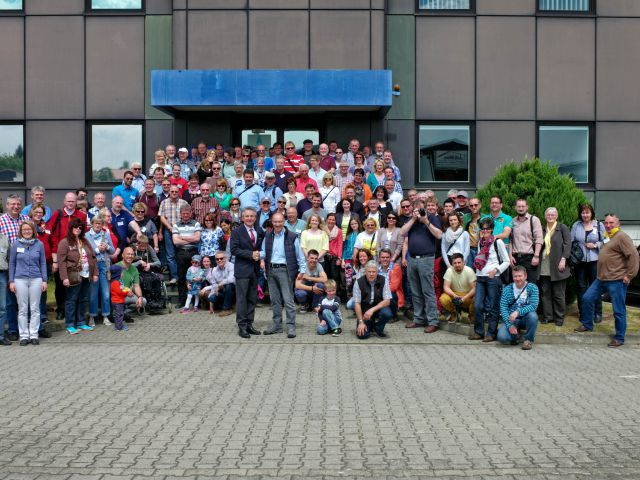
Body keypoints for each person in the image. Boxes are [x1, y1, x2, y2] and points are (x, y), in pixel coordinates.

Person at [575, 213, 639, 347]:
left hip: (617, 280)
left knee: (618, 310)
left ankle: (619, 338)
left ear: (618, 224)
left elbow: (633, 256)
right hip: (602, 278)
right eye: (607, 223)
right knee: (587, 298)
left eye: (611, 223)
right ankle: (587, 324)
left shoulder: (622, 237)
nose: (608, 225)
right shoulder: (608, 236)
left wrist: (629, 275)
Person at [260, 212, 307, 338]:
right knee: (274, 300)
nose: (277, 224)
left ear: (284, 221)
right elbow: (264, 252)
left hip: (285, 270)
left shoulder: (292, 236)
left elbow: (299, 255)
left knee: (288, 300)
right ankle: (277, 326)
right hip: (271, 270)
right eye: (275, 221)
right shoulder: (268, 236)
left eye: (280, 221)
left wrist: (302, 270)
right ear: (272, 222)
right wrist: (258, 257)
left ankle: (291, 326)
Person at [468, 217, 510, 342]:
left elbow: (507, 261)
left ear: (492, 229)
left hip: (493, 278)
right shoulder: (481, 242)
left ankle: (491, 333)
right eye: (483, 228)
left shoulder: (498, 242)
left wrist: (496, 271)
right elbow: (479, 261)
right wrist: (477, 274)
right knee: (478, 305)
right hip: (480, 278)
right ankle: (479, 332)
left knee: (493, 307)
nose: (485, 231)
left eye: (487, 228)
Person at [47, 192, 87, 322]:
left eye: (73, 202)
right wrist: (54, 253)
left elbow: (84, 235)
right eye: (68, 201)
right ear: (64, 202)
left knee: (74, 282)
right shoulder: (57, 215)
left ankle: (73, 310)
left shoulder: (81, 216)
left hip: (75, 256)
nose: (70, 204)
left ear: (76, 203)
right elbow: (49, 233)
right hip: (60, 254)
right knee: (60, 284)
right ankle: (61, 309)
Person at [8, 221, 47, 346]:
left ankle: (34, 334)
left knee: (35, 308)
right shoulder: (16, 244)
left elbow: (43, 263)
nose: (27, 231)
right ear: (21, 231)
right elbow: (12, 263)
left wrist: (44, 280)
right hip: (20, 279)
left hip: (36, 279)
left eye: (29, 229)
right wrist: (11, 281)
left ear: (33, 231)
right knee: (23, 309)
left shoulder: (39, 244)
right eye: (24, 229)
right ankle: (24, 336)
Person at [58, 218, 98, 335]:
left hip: (86, 274)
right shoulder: (64, 242)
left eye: (80, 228)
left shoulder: (84, 241)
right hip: (73, 275)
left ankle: (81, 322)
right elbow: (61, 262)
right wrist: (64, 277)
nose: (78, 229)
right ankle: (70, 324)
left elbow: (93, 258)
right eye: (75, 227)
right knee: (71, 300)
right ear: (71, 228)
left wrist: (95, 273)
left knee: (83, 299)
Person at [230, 207, 264, 338]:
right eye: (247, 216)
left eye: (252, 216)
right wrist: (251, 254)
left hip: (255, 270)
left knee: (251, 298)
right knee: (242, 299)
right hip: (242, 270)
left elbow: (261, 247)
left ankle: (250, 324)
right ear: (242, 218)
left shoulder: (258, 231)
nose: (249, 218)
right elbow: (234, 250)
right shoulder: (237, 232)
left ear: (255, 218)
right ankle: (242, 326)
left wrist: (260, 257)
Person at [571, 204, 606, 322]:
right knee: (581, 287)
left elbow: (606, 240)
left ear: (592, 213)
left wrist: (595, 245)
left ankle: (597, 313)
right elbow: (572, 241)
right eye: (583, 213)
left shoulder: (599, 225)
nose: (585, 215)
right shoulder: (576, 225)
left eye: (587, 212)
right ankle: (583, 313)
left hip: (594, 260)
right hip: (580, 261)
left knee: (595, 286)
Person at [538, 207, 571, 326]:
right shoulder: (541, 228)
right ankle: (548, 316)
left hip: (558, 265)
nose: (550, 216)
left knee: (559, 294)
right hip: (544, 265)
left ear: (556, 216)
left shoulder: (562, 228)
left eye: (553, 215)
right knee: (545, 293)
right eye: (548, 214)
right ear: (545, 216)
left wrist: (564, 259)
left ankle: (559, 317)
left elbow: (568, 244)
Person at [497, 265, 539, 350]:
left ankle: (528, 340)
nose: (518, 278)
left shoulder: (532, 288)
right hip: (511, 319)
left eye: (520, 276)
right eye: (515, 276)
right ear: (512, 277)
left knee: (533, 316)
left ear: (525, 276)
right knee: (502, 338)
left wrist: (518, 312)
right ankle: (516, 337)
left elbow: (533, 306)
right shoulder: (507, 289)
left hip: (525, 318)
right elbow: (503, 308)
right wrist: (509, 325)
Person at [86, 215, 116, 327]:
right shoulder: (87, 236)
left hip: (105, 266)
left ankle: (106, 316)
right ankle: (92, 317)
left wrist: (107, 247)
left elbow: (112, 251)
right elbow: (86, 252)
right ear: (92, 224)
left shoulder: (106, 234)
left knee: (106, 293)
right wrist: (98, 249)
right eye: (96, 223)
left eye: (100, 223)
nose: (98, 225)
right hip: (93, 267)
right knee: (93, 294)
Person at [354, 260, 393, 339]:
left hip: (378, 308)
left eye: (374, 272)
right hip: (365, 311)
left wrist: (372, 310)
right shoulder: (358, 282)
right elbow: (357, 303)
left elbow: (387, 300)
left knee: (387, 313)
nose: (371, 274)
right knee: (363, 336)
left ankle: (378, 328)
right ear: (365, 272)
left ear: (377, 272)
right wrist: (361, 322)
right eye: (369, 272)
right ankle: (368, 324)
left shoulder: (383, 280)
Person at [158, 186, 189, 285]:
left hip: (182, 231)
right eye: (172, 191)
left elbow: (188, 216)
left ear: (179, 192)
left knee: (182, 254)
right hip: (169, 230)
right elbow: (161, 217)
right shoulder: (164, 202)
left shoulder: (184, 203)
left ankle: (183, 277)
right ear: (169, 192)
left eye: (176, 191)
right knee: (170, 255)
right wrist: (169, 227)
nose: (174, 193)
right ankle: (174, 277)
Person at [172, 205, 202, 308]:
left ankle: (195, 301)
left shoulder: (196, 224)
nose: (185, 215)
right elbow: (175, 241)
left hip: (193, 252)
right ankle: (182, 301)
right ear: (180, 214)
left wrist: (182, 237)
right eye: (183, 213)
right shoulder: (176, 225)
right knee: (181, 277)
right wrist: (190, 238)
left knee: (195, 276)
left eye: (187, 213)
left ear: (190, 213)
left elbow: (197, 239)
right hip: (180, 252)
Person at [509, 198, 543, 282]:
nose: (521, 208)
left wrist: (536, 256)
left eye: (523, 206)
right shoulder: (512, 221)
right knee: (516, 285)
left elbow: (539, 239)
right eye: (519, 206)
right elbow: (510, 240)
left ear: (527, 207)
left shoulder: (534, 220)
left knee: (531, 285)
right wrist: (510, 256)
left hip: (529, 258)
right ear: (515, 208)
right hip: (515, 259)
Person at [440, 253, 476, 323]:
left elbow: (474, 289)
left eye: (459, 262)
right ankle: (454, 313)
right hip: (455, 294)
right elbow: (446, 287)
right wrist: (455, 296)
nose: (457, 265)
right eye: (455, 263)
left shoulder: (469, 271)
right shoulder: (449, 270)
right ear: (452, 264)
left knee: (477, 298)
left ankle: (471, 315)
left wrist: (463, 299)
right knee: (443, 298)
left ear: (463, 262)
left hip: (467, 295)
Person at [294, 249, 328, 313]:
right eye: (312, 258)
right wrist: (312, 288)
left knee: (321, 285)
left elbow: (325, 279)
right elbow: (297, 285)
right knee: (300, 293)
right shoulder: (303, 267)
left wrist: (308, 277)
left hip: (314, 291)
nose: (314, 260)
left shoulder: (318, 265)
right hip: (305, 290)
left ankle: (315, 306)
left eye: (316, 258)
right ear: (307, 258)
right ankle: (304, 305)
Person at [116, 247, 147, 313]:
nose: (130, 256)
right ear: (123, 255)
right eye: (128, 254)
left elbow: (136, 286)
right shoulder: (116, 267)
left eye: (132, 254)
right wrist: (126, 290)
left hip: (128, 296)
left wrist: (139, 297)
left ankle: (125, 310)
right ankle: (123, 310)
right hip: (118, 296)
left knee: (143, 301)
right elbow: (114, 286)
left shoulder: (134, 269)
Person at [377, 248, 404, 320]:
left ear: (390, 258)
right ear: (379, 258)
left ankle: (394, 315)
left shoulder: (395, 267)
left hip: (391, 294)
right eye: (383, 257)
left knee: (390, 294)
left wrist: (380, 292)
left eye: (387, 257)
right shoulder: (377, 268)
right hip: (380, 293)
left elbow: (394, 287)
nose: (385, 259)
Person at [206, 251, 236, 316]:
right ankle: (220, 306)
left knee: (229, 286)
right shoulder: (214, 270)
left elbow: (231, 279)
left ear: (226, 258)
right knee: (212, 296)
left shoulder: (231, 266)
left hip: (235, 291)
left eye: (221, 258)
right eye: (217, 259)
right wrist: (211, 302)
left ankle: (227, 309)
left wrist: (220, 284)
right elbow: (214, 285)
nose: (219, 260)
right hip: (222, 291)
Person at [108, 264, 129, 331]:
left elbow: (122, 288)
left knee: (118, 314)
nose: (122, 273)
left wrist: (126, 289)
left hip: (117, 301)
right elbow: (120, 292)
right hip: (118, 302)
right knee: (119, 314)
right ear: (118, 273)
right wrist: (127, 292)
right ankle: (119, 327)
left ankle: (118, 325)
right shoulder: (116, 282)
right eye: (121, 272)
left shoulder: (116, 281)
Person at [463, 198, 482, 268]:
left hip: (481, 249)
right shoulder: (466, 217)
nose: (473, 207)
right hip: (469, 250)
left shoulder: (485, 217)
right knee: (469, 271)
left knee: (480, 271)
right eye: (471, 205)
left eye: (476, 205)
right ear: (469, 207)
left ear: (480, 205)